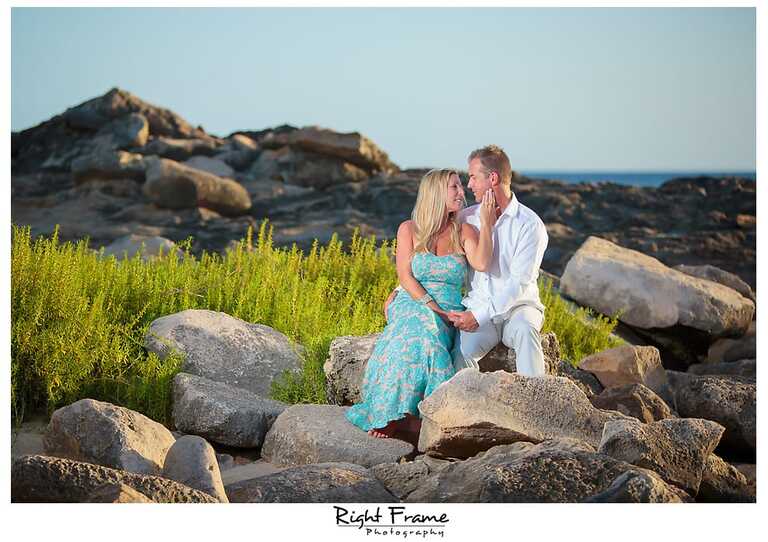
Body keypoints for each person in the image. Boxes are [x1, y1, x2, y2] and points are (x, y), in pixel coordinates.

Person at [345, 168, 495, 439]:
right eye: (455, 187)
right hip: (412, 299)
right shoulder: (408, 229)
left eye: (461, 186)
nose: (462, 193)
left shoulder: (465, 231)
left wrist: (488, 225)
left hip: (448, 305)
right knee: (415, 332)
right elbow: (405, 275)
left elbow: (482, 263)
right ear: (437, 193)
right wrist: (430, 305)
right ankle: (394, 413)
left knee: (427, 337)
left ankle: (409, 418)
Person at [448, 145, 549, 376]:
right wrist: (401, 287)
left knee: (525, 330)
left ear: (492, 178)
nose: (469, 185)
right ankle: (467, 408)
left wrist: (478, 316)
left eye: (473, 177)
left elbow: (519, 283)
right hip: (480, 306)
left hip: (519, 308)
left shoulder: (530, 225)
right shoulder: (467, 218)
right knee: (462, 351)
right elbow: (435, 255)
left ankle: (535, 402)